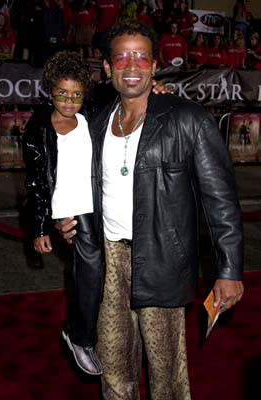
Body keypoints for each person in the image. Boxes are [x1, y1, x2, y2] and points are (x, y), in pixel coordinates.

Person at [56, 19, 244, 400]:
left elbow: (220, 199)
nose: (131, 66)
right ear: (106, 67)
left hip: (162, 259)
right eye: (121, 57)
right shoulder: (94, 122)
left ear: (155, 65)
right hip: (106, 263)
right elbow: (82, 183)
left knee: (167, 374)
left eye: (141, 57)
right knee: (113, 369)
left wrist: (229, 269)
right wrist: (66, 217)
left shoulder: (187, 118)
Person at [22, 50, 103, 376]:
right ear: (49, 90)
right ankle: (79, 335)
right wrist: (40, 226)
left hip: (97, 203)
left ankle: (89, 330)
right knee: (92, 265)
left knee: (98, 273)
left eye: (76, 95)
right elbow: (36, 182)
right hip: (69, 209)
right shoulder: (39, 127)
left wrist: (158, 87)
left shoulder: (90, 117)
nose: (69, 102)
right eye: (62, 94)